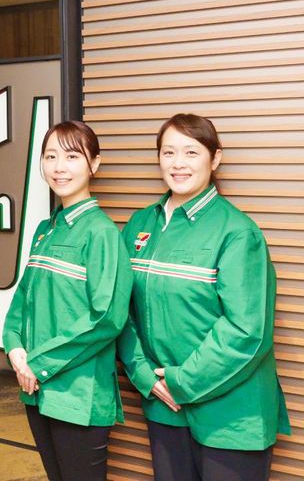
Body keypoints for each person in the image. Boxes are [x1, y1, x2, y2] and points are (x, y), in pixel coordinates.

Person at [117, 113, 290, 481]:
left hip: (232, 416)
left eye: (191, 152)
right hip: (164, 405)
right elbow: (119, 310)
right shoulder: (139, 225)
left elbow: (247, 331)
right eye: (168, 152)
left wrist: (181, 381)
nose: (178, 163)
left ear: (215, 158)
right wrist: (144, 374)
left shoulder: (237, 232)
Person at [2, 120, 132, 481]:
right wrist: (14, 348)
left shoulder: (102, 233)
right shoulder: (45, 230)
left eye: (72, 156)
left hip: (77, 394)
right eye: (51, 156)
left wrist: (37, 364)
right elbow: (23, 300)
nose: (59, 167)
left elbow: (106, 318)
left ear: (94, 164)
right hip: (36, 388)